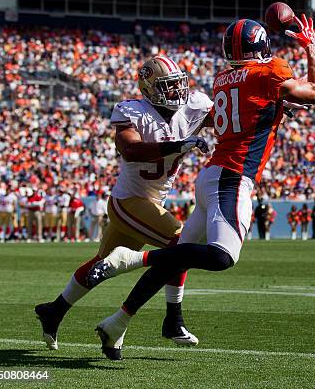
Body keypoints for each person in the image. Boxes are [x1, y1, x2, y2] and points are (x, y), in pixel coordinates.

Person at [86, 15, 315, 360]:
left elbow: (248, 108)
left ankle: (118, 323)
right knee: (221, 256)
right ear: (261, 46)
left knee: (176, 259)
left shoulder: (223, 78)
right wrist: (310, 45)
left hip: (212, 174)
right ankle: (134, 258)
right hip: (233, 175)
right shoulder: (269, 71)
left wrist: (278, 106)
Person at [34, 55, 212, 352]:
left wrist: (272, 110)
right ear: (149, 89)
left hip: (149, 203)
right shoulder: (132, 111)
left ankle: (54, 310)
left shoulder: (192, 106)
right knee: (180, 243)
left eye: (177, 84)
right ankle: (173, 318)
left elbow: (229, 119)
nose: (176, 92)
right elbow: (130, 149)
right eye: (167, 87)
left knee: (98, 265)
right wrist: (180, 145)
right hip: (128, 201)